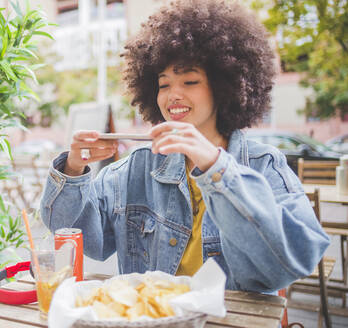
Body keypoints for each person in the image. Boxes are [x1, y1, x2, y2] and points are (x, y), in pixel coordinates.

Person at [40, 0, 329, 293]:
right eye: (164, 85)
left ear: (224, 85)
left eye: (190, 80)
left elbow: (296, 261)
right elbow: (82, 239)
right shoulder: (138, 165)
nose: (173, 95)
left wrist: (216, 170)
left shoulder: (263, 163)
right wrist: (74, 168)